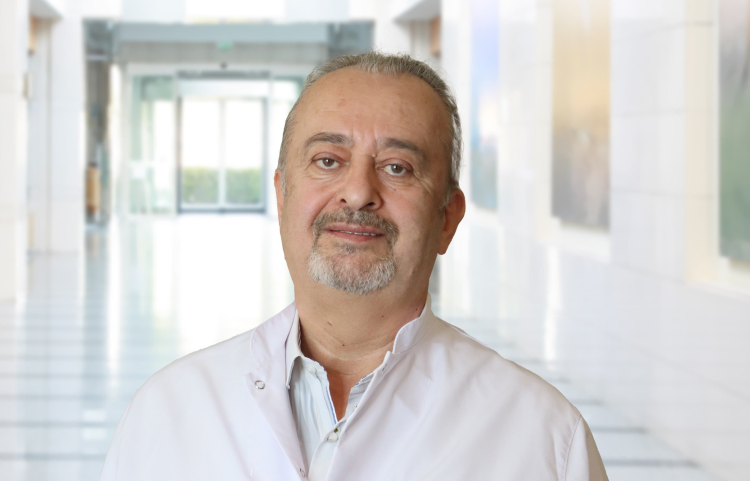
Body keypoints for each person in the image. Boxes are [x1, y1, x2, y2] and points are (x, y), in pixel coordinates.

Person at [100, 52, 608, 481]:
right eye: (328, 160)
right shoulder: (165, 414)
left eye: (397, 168)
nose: (359, 192)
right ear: (282, 195)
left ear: (447, 219)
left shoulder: (545, 439)